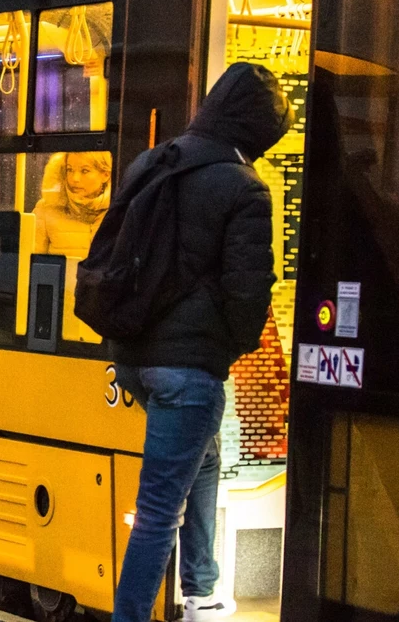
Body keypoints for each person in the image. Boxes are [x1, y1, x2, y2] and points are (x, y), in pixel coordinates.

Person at [108, 62, 292, 622]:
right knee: (160, 509)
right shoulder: (245, 188)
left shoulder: (154, 161)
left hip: (135, 359)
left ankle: (203, 590)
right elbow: (248, 295)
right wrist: (223, 351)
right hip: (189, 368)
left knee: (204, 459)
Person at [33, 151, 112, 259]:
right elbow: (30, 261)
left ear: (105, 175)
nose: (75, 178)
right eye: (69, 170)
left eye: (84, 171)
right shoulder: (47, 208)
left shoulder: (117, 210)